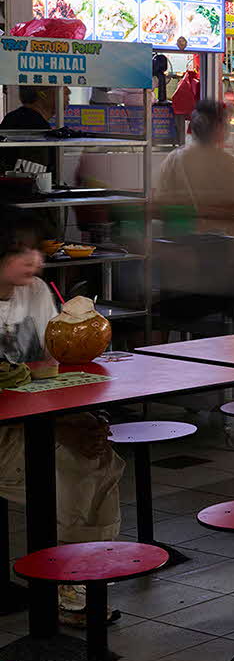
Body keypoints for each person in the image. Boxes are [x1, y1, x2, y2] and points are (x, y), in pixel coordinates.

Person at [0, 213, 121, 626]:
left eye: (38, 248)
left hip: (35, 420)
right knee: (73, 464)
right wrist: (60, 424)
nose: (34, 258)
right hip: (7, 432)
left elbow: (51, 368)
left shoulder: (35, 292)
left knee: (97, 453)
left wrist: (79, 418)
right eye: (19, 249)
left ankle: (78, 575)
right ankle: (65, 580)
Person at [152, 99, 234, 240]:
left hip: (183, 244)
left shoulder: (174, 159)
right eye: (225, 123)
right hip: (224, 245)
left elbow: (161, 203)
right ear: (219, 129)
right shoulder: (230, 164)